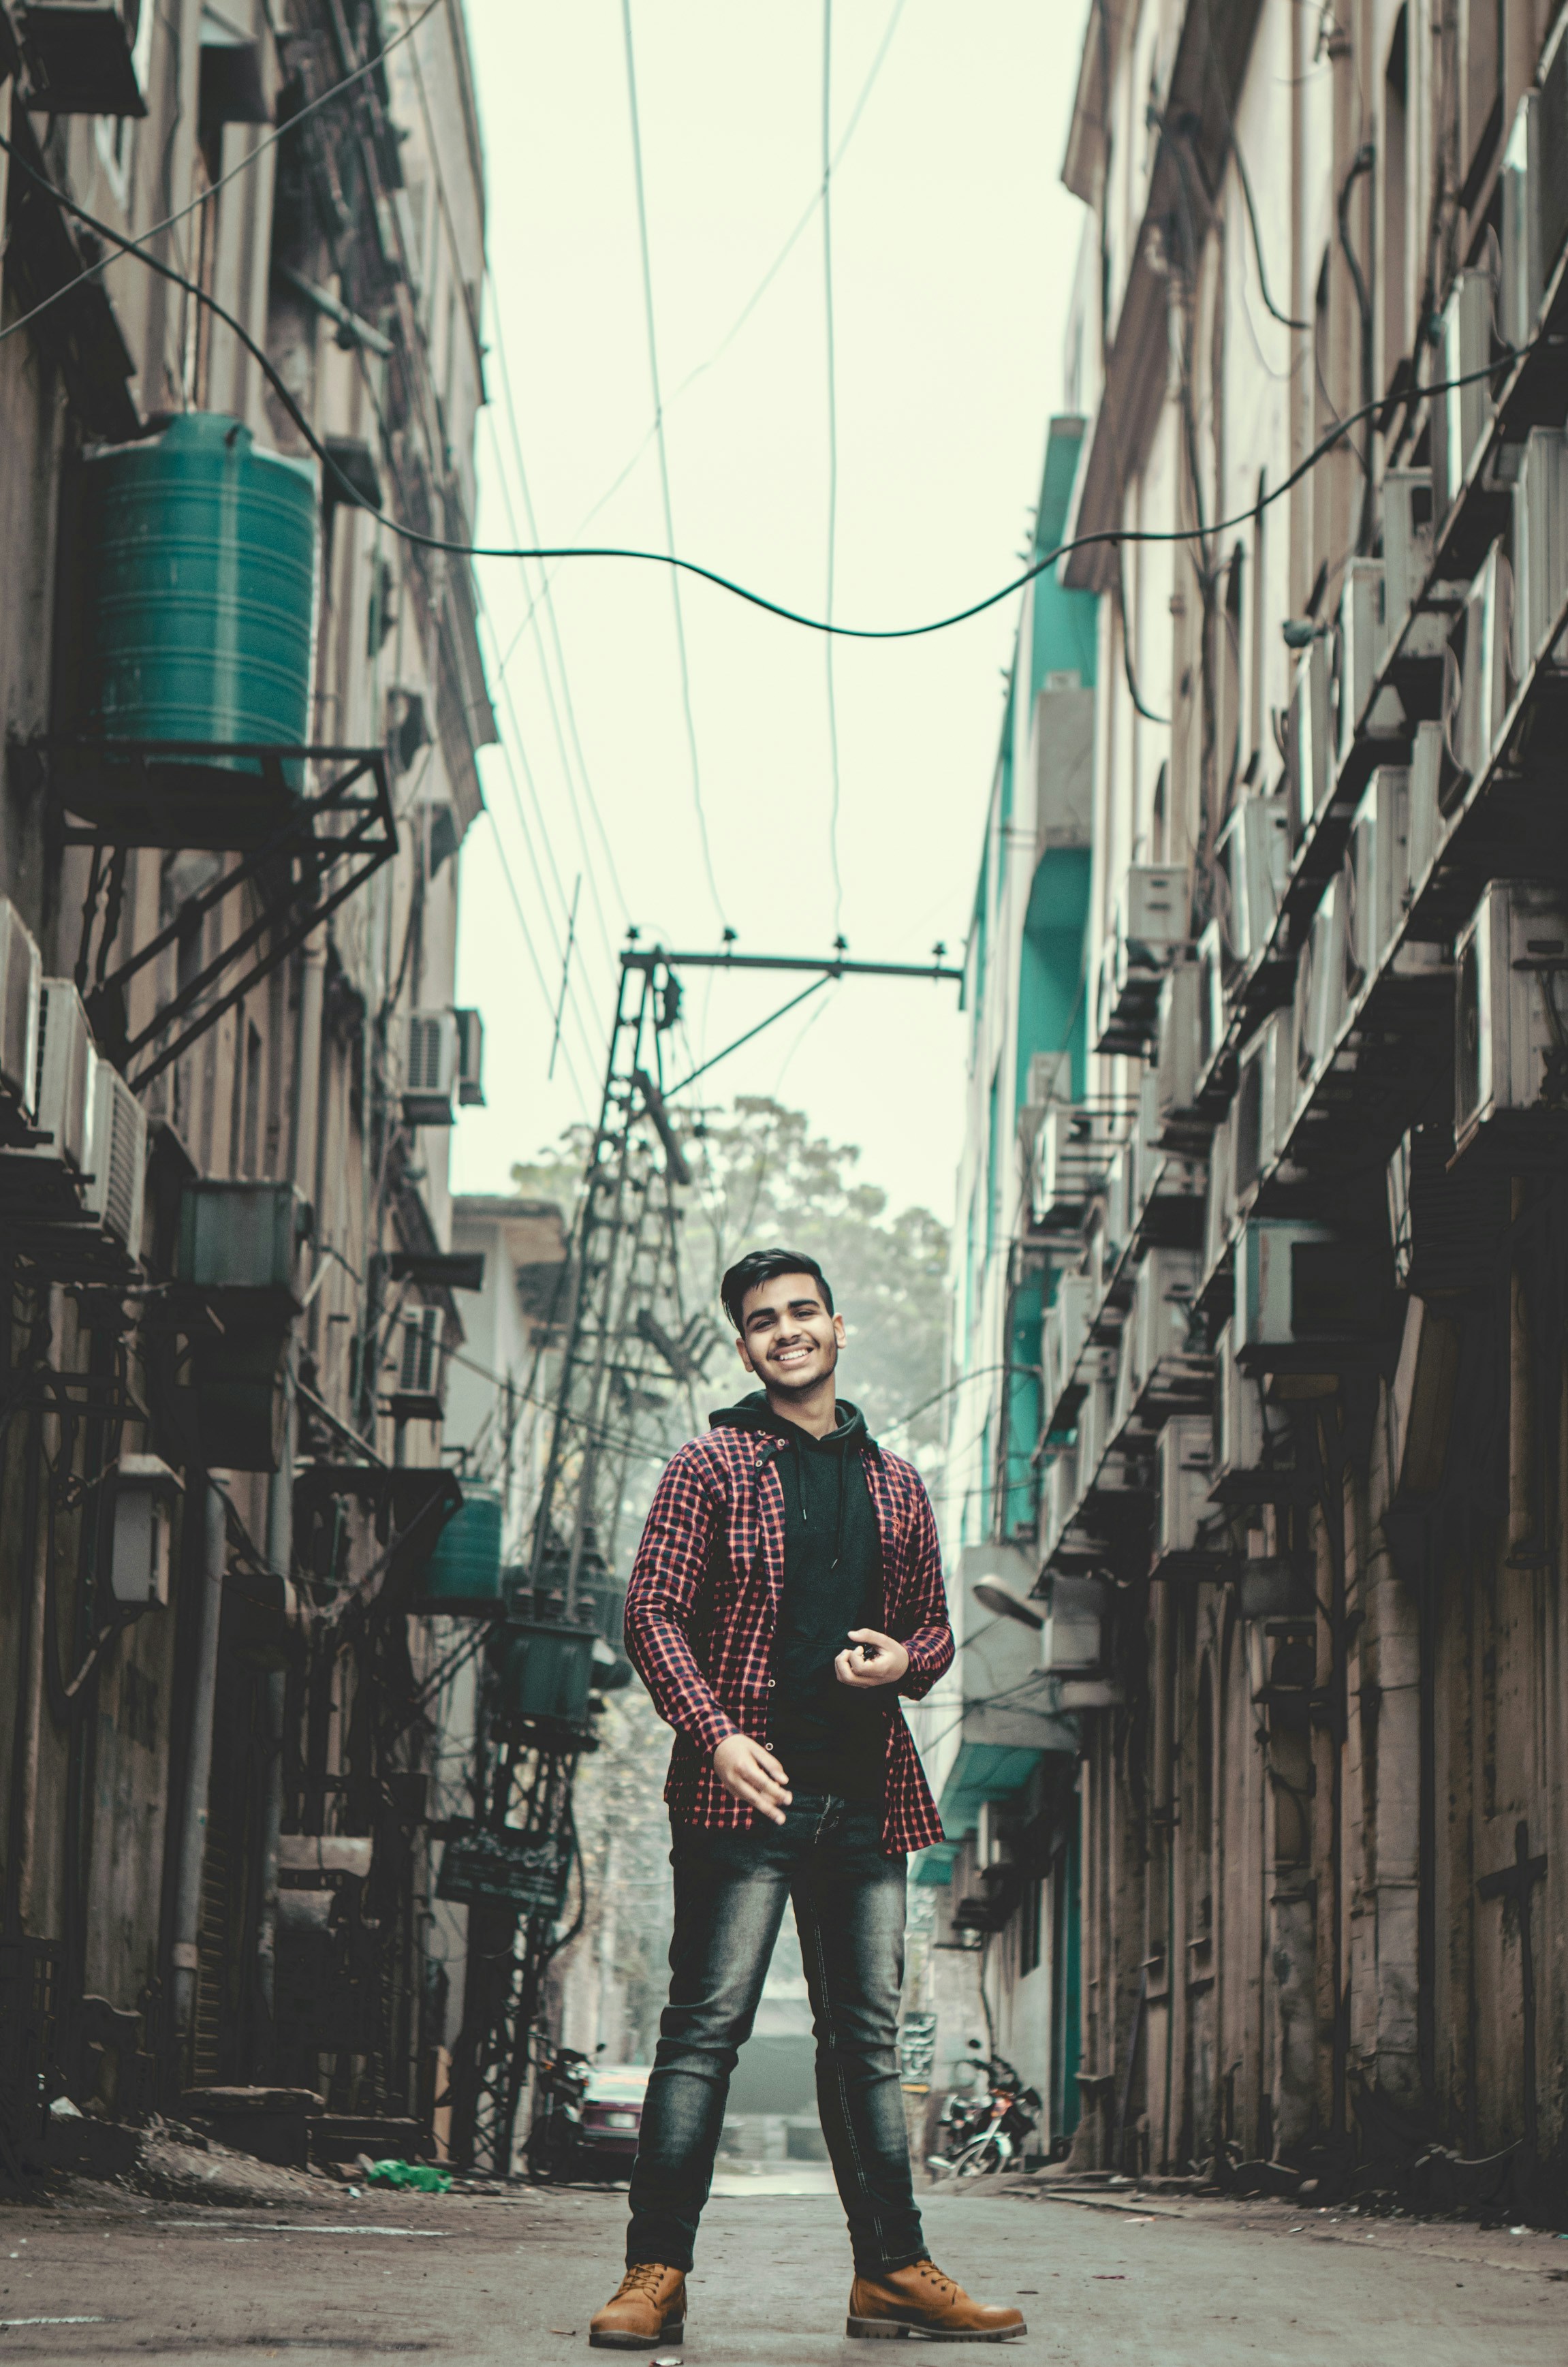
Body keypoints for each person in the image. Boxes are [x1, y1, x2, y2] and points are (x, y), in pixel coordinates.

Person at [589, 1248, 1026, 2349]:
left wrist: (900, 1660)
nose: (784, 1330)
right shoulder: (709, 1465)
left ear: (836, 1328)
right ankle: (654, 2276)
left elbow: (931, 1627)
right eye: (760, 1320)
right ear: (744, 1347)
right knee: (702, 2037)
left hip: (866, 1796)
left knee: (864, 2046)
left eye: (800, 1312)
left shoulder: (895, 1481)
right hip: (742, 1795)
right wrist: (717, 1733)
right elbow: (651, 1613)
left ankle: (891, 2272)